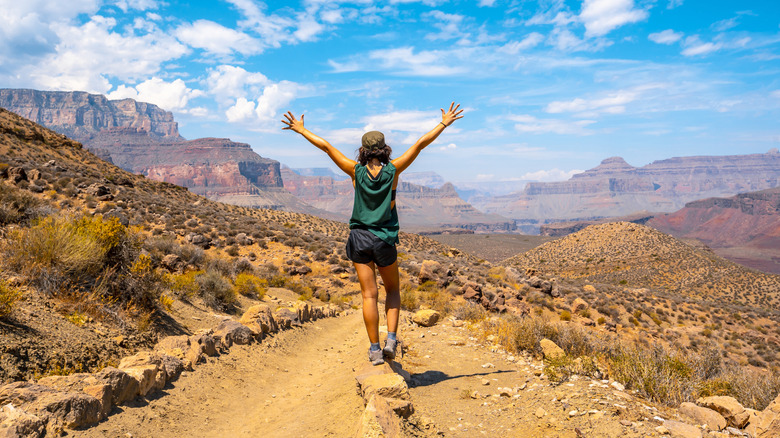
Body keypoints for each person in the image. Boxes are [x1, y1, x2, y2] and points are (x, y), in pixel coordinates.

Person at [282, 102, 464, 365]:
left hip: (359, 239)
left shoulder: (354, 170)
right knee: (392, 291)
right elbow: (420, 144)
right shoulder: (394, 170)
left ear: (364, 151)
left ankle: (375, 350)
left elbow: (325, 146)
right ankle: (391, 339)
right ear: (384, 148)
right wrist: (444, 123)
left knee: (369, 295)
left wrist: (301, 130)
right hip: (384, 238)